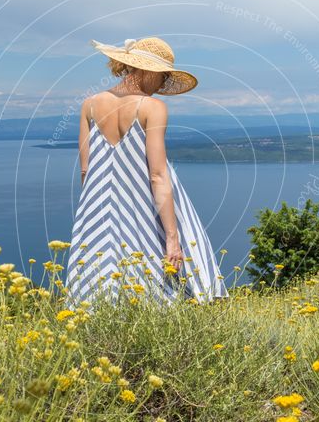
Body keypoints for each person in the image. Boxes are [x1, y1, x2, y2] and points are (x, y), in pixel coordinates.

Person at [64, 36, 228, 308]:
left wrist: (95, 211)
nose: (162, 84)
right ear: (146, 70)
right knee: (163, 291)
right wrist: (173, 238)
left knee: (99, 291)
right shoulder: (153, 108)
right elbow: (158, 175)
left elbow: (86, 170)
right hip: (146, 210)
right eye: (162, 76)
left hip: (99, 211)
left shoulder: (90, 105)